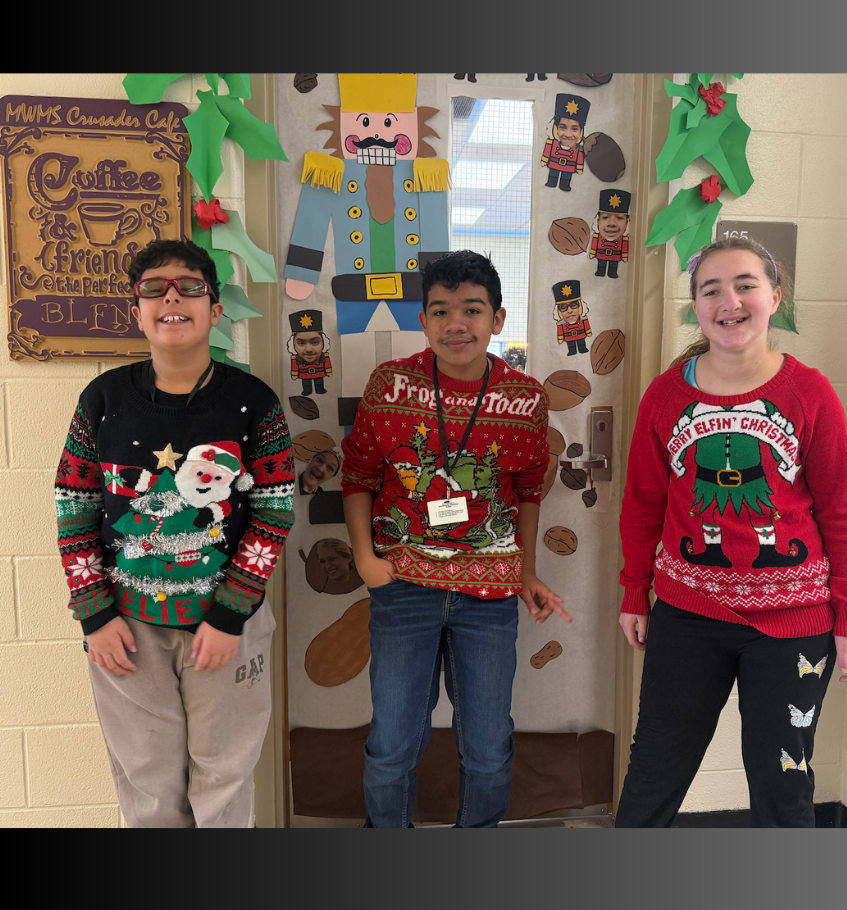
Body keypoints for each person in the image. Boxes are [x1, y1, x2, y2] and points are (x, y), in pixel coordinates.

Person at [615, 236, 847, 828]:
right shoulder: (665, 395)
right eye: (711, 289)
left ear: (774, 298)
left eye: (745, 285)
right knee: (652, 776)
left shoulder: (811, 393)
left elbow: (842, 510)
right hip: (687, 614)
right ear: (696, 308)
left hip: (794, 625)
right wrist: (634, 590)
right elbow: (644, 502)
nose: (729, 300)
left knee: (783, 789)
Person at [55, 238, 295, 828]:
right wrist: (93, 614)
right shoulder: (103, 400)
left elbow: (274, 512)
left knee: (224, 775)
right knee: (147, 778)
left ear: (216, 310)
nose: (172, 298)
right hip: (124, 627)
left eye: (190, 287)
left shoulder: (253, 403)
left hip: (225, 623)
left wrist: (230, 613)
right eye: (154, 288)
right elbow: (73, 506)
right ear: (135, 311)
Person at [341, 250, 571, 827]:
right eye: (440, 310)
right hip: (403, 588)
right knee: (392, 743)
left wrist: (525, 573)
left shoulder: (525, 399)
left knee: (489, 747)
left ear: (497, 319)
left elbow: (526, 493)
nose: (455, 324)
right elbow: (358, 476)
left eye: (472, 309)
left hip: (488, 598)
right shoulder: (390, 384)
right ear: (422, 320)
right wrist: (366, 559)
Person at [540, 93, 589, 191]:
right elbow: (547, 151)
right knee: (553, 175)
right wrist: (544, 160)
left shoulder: (579, 149)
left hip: (569, 166)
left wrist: (579, 167)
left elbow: (580, 158)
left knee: (566, 177)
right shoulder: (551, 143)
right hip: (554, 163)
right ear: (555, 128)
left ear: (581, 132)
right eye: (562, 127)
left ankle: (565, 184)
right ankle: (552, 182)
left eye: (574, 129)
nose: (568, 134)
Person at [287, 308, 332, 396]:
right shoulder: (295, 359)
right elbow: (295, 367)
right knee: (306, 383)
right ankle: (307, 390)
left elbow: (327, 364)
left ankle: (320, 388)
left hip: (319, 372)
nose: (308, 349)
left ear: (324, 342)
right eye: (301, 343)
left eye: (315, 342)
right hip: (305, 374)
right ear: (293, 345)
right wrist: (295, 374)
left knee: (319, 382)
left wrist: (328, 371)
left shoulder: (324, 356)